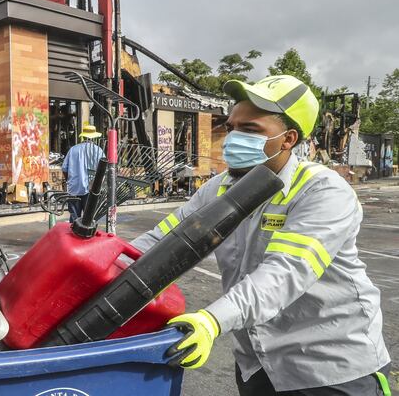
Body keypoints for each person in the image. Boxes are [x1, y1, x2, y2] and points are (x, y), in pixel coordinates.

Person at [132, 75, 391, 395]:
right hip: (258, 365)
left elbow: (286, 272)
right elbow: (163, 240)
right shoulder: (219, 188)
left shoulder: (322, 190)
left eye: (251, 130)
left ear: (288, 138)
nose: (233, 138)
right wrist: (102, 260)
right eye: (231, 127)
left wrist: (212, 321)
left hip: (330, 368)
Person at [62, 123, 104, 222]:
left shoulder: (73, 150)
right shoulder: (98, 150)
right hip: (91, 189)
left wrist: (70, 180)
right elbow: (103, 171)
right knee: (88, 219)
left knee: (74, 219)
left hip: (74, 188)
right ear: (94, 137)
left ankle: (73, 236)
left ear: (83, 136)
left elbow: (64, 169)